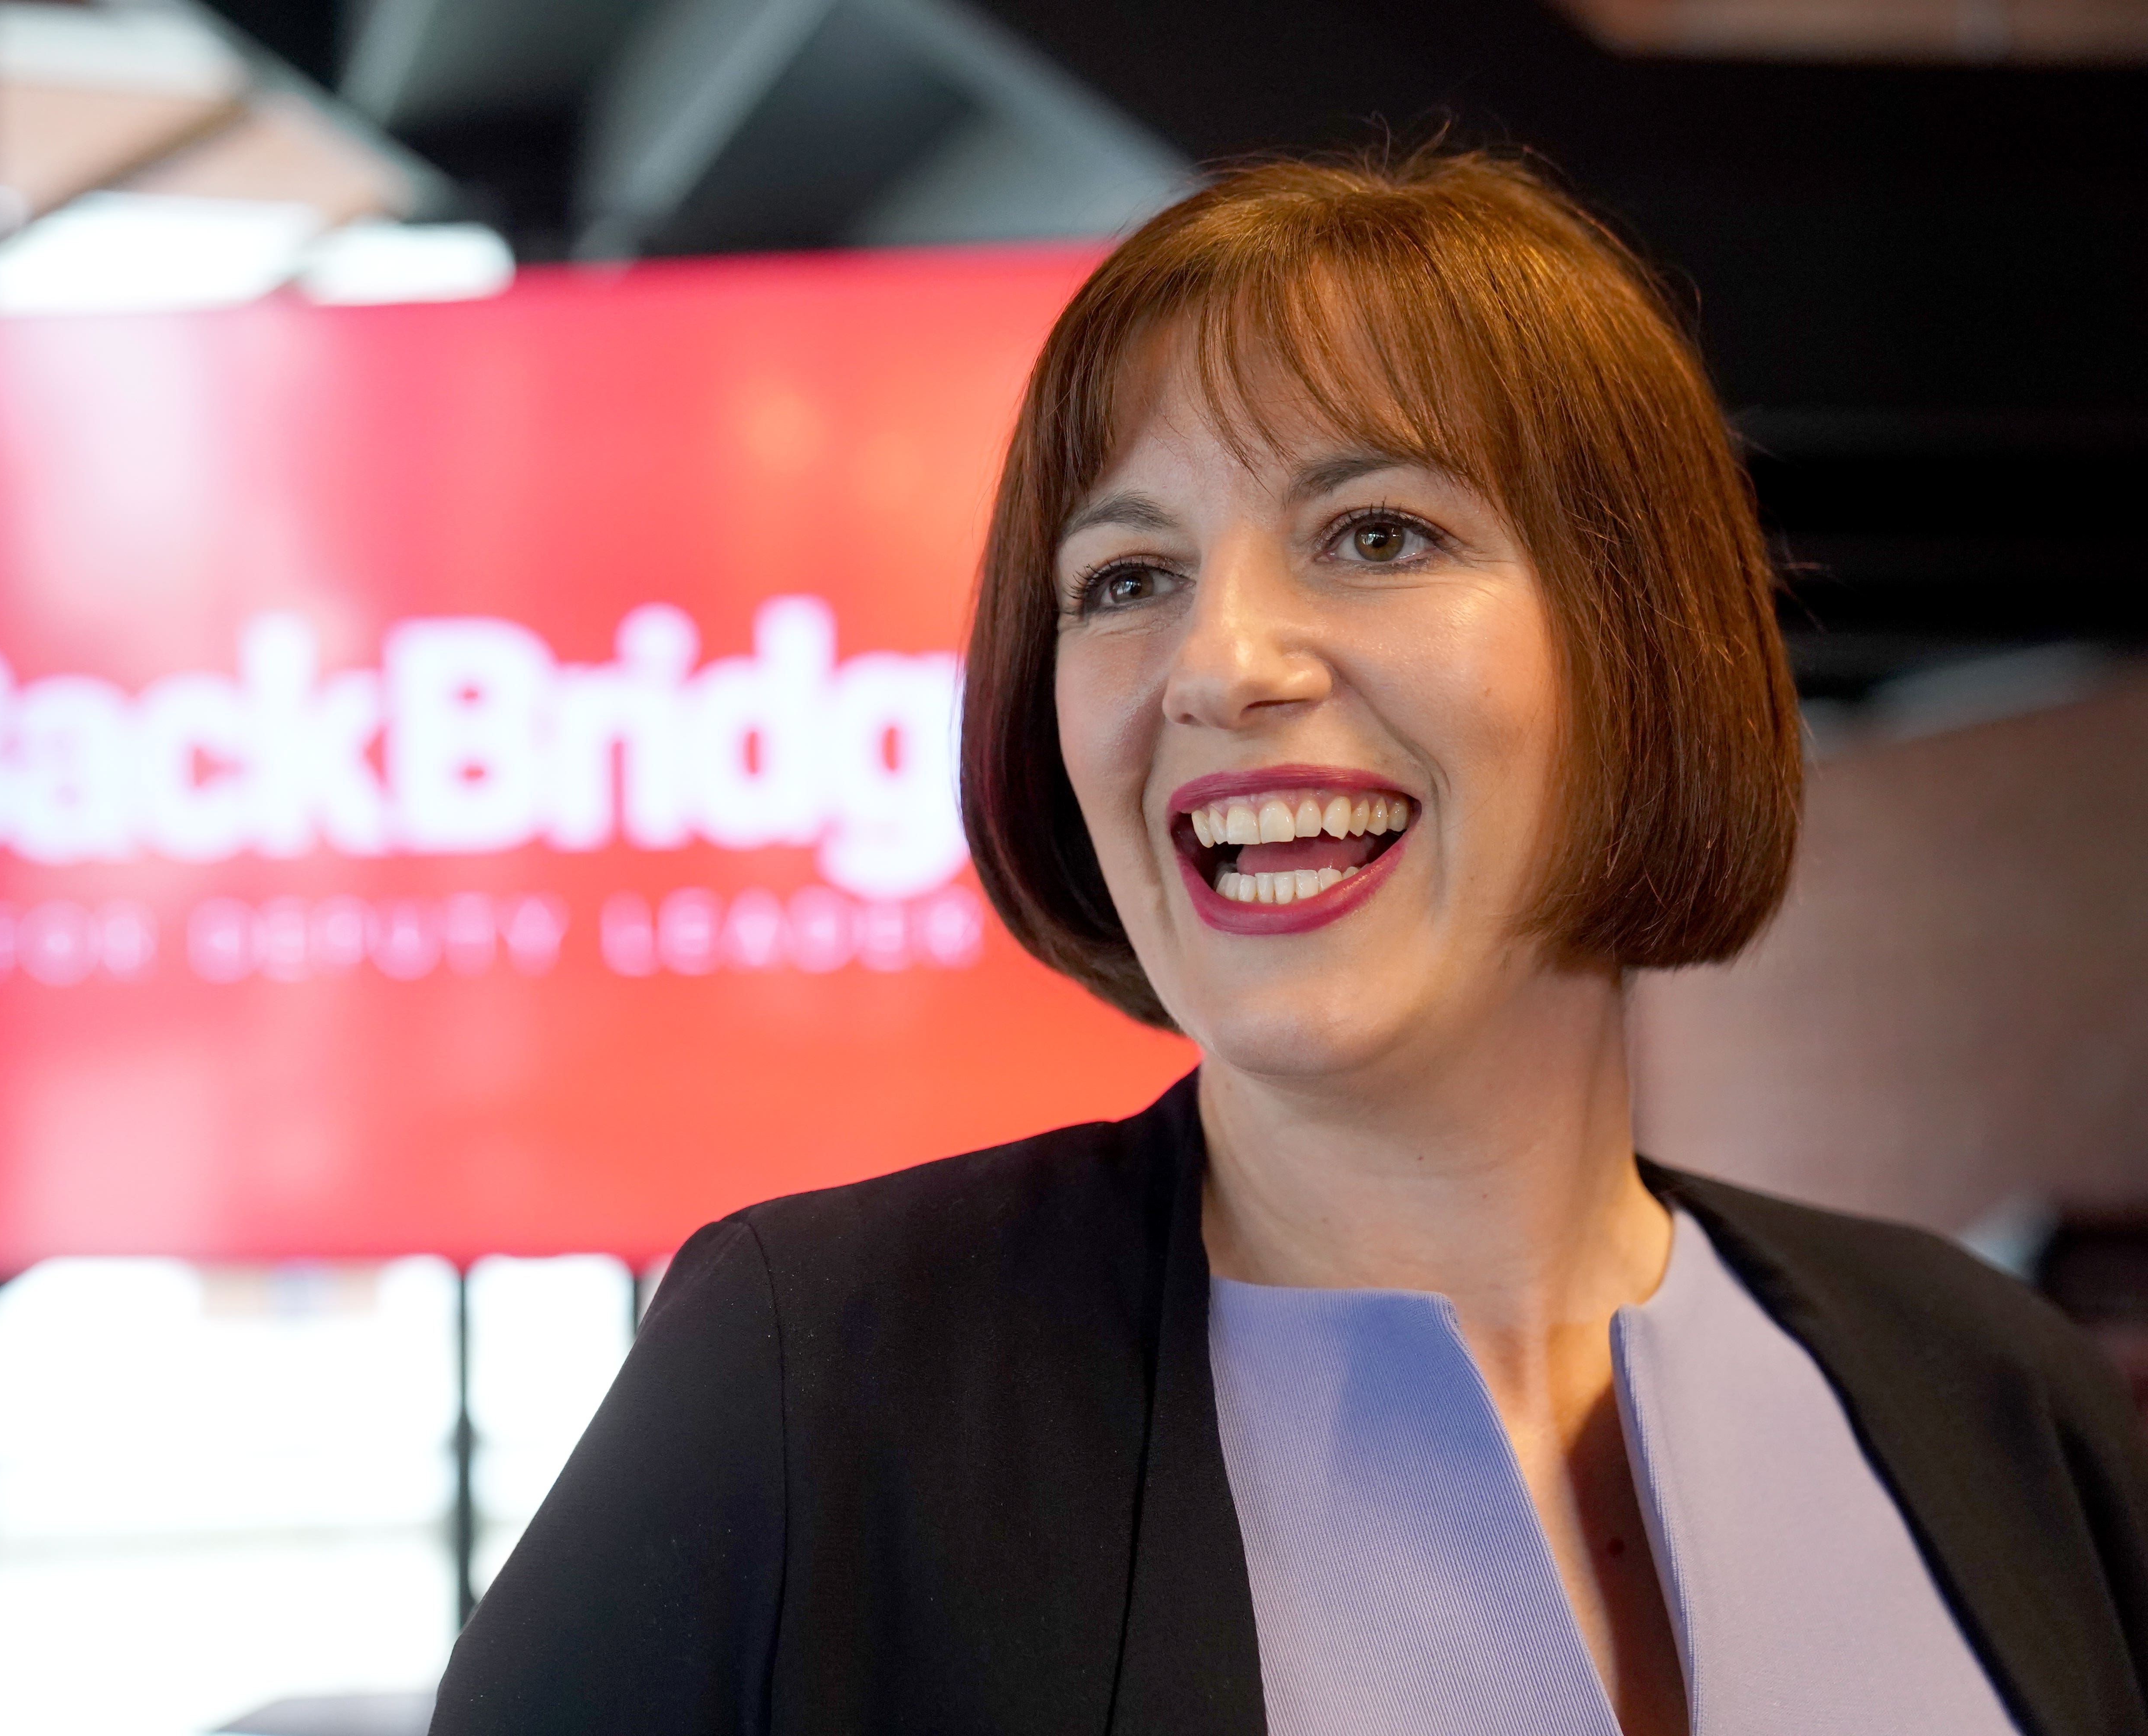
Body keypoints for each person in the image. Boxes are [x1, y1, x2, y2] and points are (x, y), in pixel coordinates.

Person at [429, 149, 2148, 1736]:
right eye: (1124, 579)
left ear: (1640, 644)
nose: (1220, 661)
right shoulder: (822, 1387)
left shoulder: (1996, 1400)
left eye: (1376, 534)